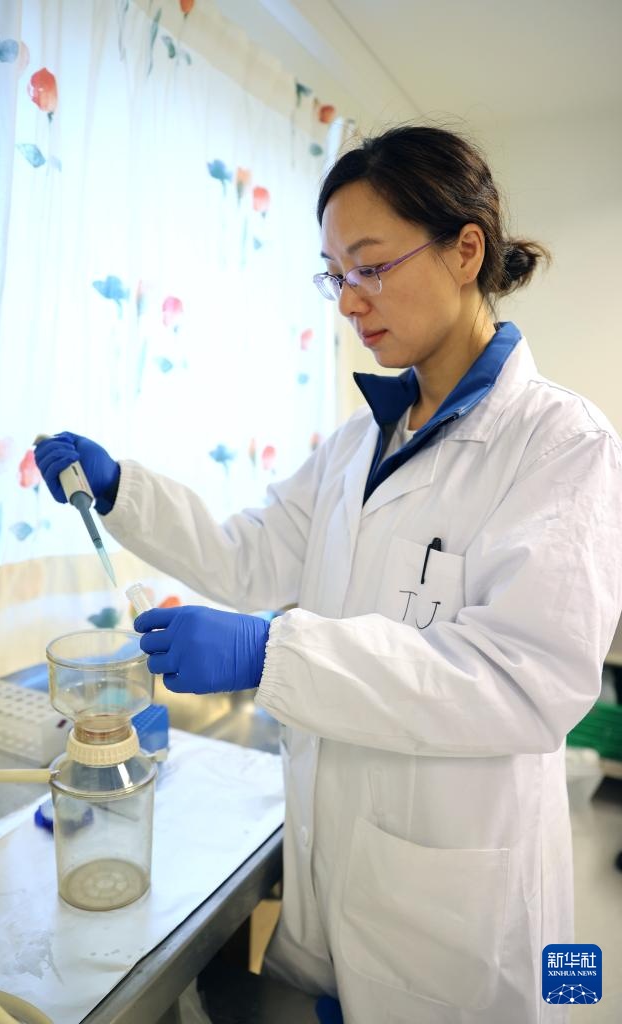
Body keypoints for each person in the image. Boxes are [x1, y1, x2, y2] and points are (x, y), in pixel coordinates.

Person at [35, 125, 622, 1024]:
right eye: (335, 275)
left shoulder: (560, 444)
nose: (349, 301)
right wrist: (122, 493)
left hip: (454, 925)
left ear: (467, 250)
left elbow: (524, 680)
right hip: (339, 884)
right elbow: (252, 554)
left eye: (372, 267)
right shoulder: (360, 441)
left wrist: (272, 653)